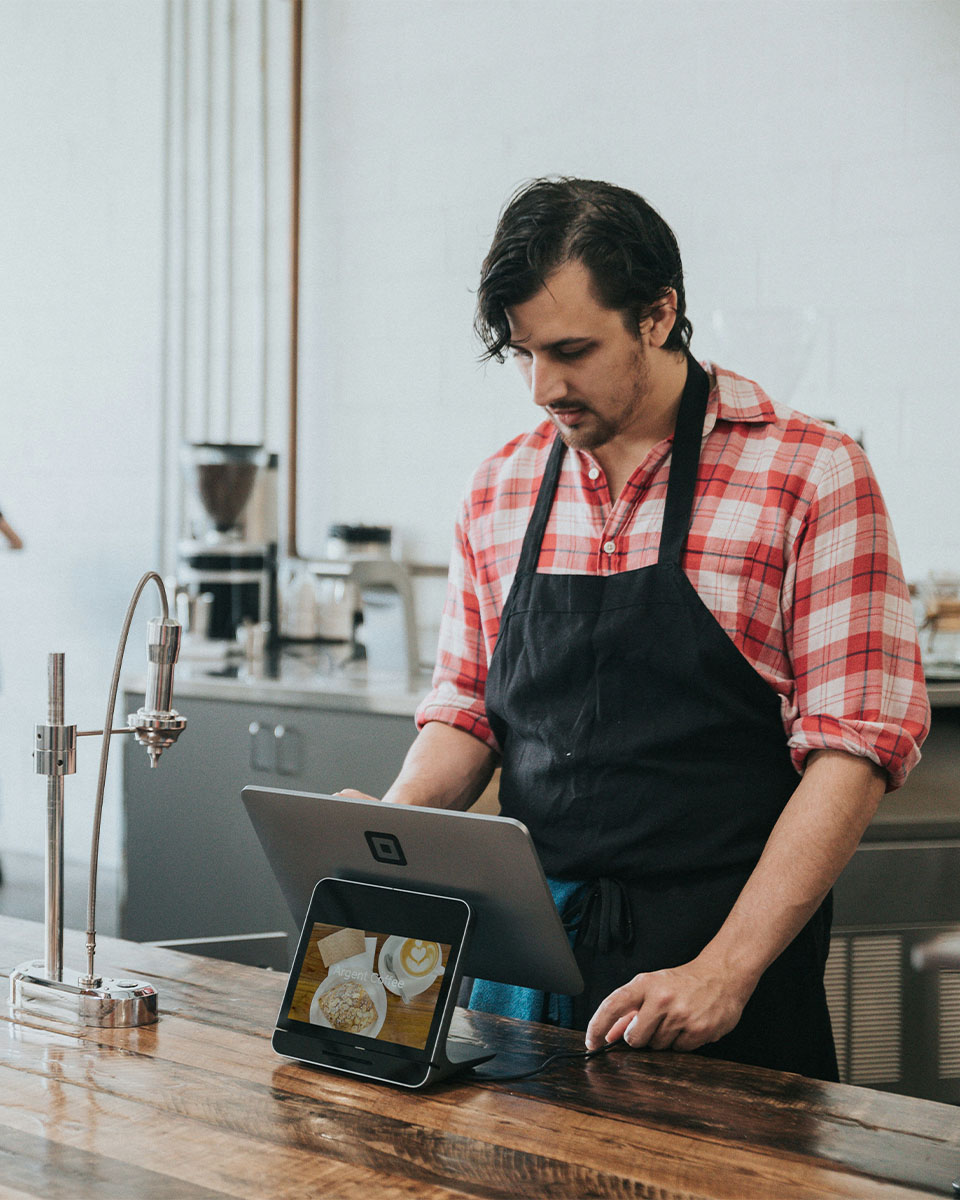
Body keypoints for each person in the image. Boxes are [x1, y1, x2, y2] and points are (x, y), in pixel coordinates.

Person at [343, 178, 930, 1080]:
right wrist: (388, 831)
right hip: (526, 974)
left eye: (572, 350)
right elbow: (467, 712)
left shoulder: (810, 476)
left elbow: (852, 752)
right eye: (523, 353)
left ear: (659, 314)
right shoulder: (499, 488)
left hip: (719, 976)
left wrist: (723, 972)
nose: (544, 387)